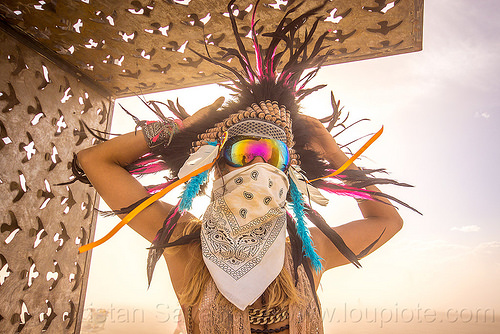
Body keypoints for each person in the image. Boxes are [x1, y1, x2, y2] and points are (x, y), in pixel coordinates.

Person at [74, 1, 415, 333]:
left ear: (288, 176)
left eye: (274, 155)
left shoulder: (309, 252)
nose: (260, 165)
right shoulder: (186, 243)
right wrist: (176, 128)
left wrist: (331, 149)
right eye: (245, 151)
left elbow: (387, 222)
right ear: (215, 165)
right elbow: (94, 161)